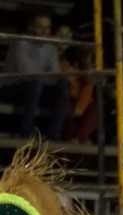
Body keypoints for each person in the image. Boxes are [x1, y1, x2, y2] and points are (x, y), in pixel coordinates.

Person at [3, 11, 68, 139]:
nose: (45, 31)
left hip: (37, 87)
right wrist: (47, 76)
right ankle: (25, 133)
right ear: (31, 27)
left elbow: (55, 74)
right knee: (35, 83)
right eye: (40, 27)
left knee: (62, 83)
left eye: (47, 27)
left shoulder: (50, 47)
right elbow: (27, 73)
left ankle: (53, 135)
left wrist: (53, 77)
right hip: (13, 87)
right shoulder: (21, 43)